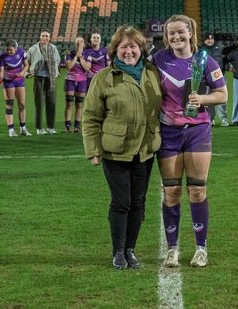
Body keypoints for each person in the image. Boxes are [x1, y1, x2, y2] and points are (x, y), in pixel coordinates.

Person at [82, 25, 162, 269]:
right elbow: (90, 116)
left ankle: (130, 249)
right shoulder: (103, 77)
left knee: (138, 201)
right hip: (115, 150)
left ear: (141, 49)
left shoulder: (152, 73)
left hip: (146, 148)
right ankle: (117, 251)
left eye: (134, 46)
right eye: (124, 46)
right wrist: (93, 150)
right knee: (121, 202)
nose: (129, 51)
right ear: (115, 49)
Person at [153, 15, 227, 267]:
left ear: (191, 33)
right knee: (171, 191)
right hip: (168, 133)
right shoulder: (159, 59)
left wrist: (201, 100)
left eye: (180, 33)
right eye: (171, 33)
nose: (176, 37)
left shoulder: (205, 61)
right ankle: (172, 248)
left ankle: (201, 249)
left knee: (197, 190)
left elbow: (222, 94)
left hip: (197, 131)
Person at [26, 31, 61, 135]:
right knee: (39, 104)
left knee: (52, 103)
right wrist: (29, 71)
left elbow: (58, 60)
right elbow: (27, 61)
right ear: (40, 37)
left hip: (51, 78)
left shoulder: (53, 48)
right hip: (39, 78)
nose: (45, 37)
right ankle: (39, 128)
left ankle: (50, 127)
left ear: (49, 38)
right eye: (43, 36)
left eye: (47, 36)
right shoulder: (33, 49)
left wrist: (56, 71)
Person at [0, 39, 31, 137]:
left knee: (22, 105)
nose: (9, 52)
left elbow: (26, 65)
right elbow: (1, 71)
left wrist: (23, 72)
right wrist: (1, 77)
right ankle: (11, 130)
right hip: (8, 82)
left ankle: (23, 128)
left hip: (19, 80)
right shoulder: (3, 56)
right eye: (7, 50)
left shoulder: (21, 52)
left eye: (11, 50)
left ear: (16, 48)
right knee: (10, 105)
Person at [201, 32, 228, 126]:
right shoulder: (201, 50)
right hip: (206, 77)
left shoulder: (221, 47)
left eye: (211, 39)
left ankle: (223, 119)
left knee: (222, 98)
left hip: (220, 76)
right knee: (208, 99)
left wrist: (227, 66)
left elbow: (226, 59)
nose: (210, 40)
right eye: (208, 39)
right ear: (204, 40)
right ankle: (210, 119)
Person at [64, 36, 90, 133]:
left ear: (84, 43)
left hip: (82, 80)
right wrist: (76, 56)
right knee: (69, 103)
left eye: (81, 41)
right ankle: (67, 125)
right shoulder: (69, 53)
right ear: (75, 43)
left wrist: (81, 57)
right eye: (77, 41)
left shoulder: (87, 54)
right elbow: (69, 66)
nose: (79, 43)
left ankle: (77, 126)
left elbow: (87, 68)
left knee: (79, 104)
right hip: (70, 79)